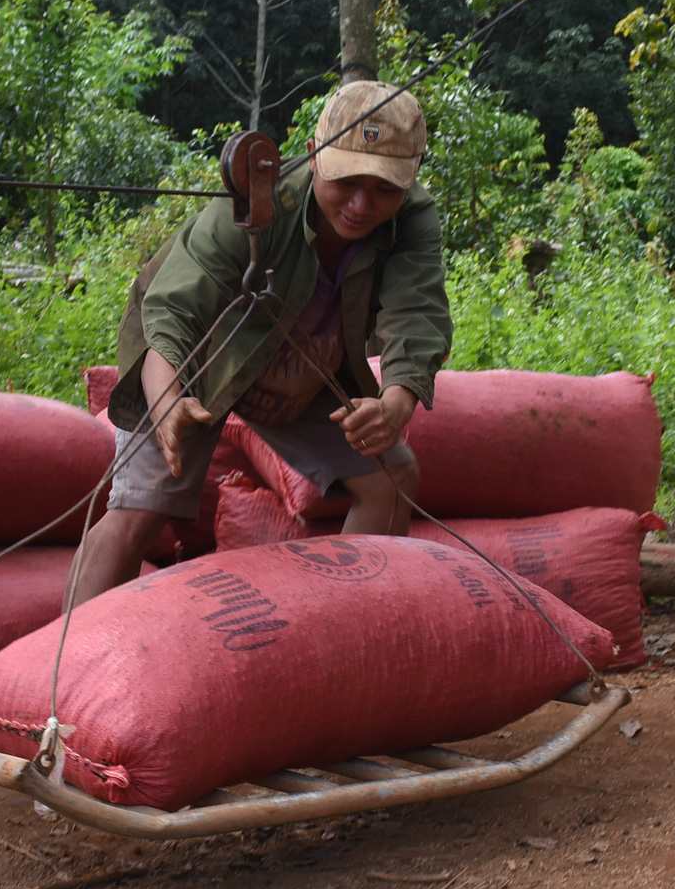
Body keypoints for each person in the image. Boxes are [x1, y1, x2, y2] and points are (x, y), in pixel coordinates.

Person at [72, 81, 452, 605]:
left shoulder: (411, 220)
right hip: (197, 359)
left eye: (385, 189)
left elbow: (418, 313)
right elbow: (176, 313)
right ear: (317, 157)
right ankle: (63, 671)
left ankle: (347, 635)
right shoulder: (258, 201)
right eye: (348, 181)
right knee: (139, 509)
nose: (361, 205)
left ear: (408, 183)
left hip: (305, 363)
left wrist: (395, 403)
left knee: (392, 476)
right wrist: (166, 403)